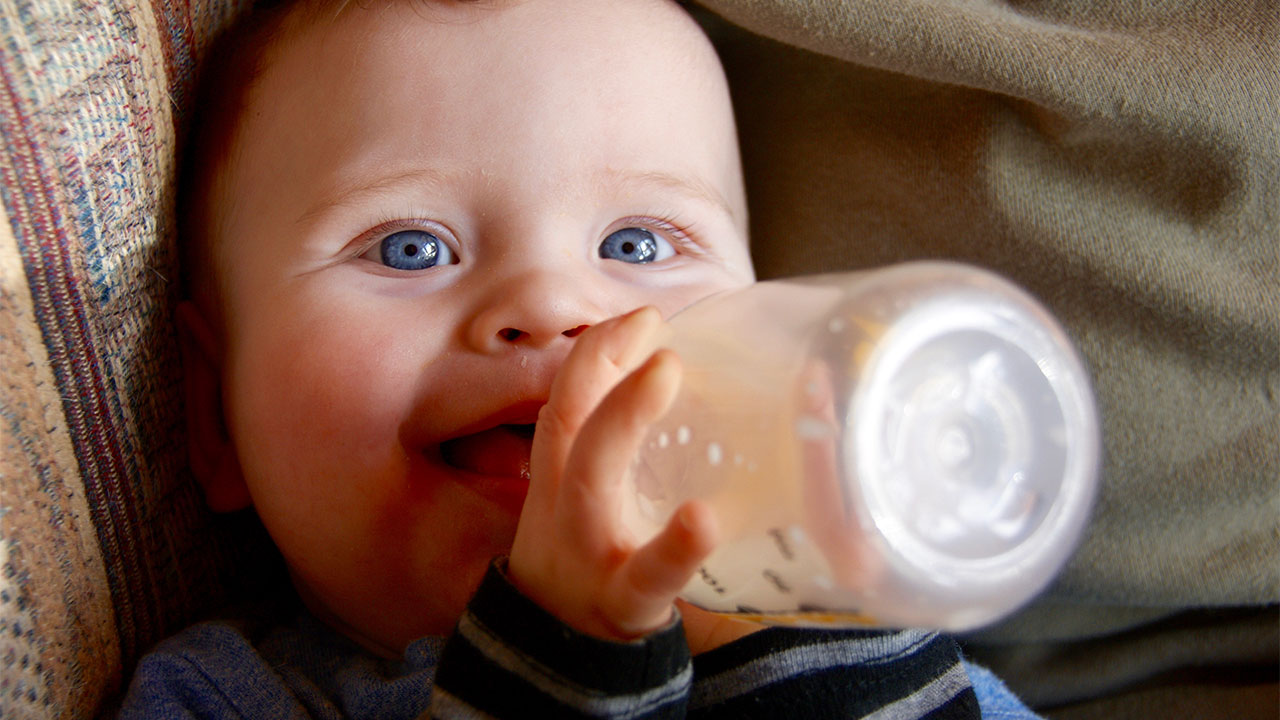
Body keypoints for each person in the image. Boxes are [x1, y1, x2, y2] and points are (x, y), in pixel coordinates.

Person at [120, 0, 1037, 716]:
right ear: (214, 415)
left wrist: (805, 617)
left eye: (637, 245)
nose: (552, 305)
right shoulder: (215, 697)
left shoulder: (893, 652)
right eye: (411, 248)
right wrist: (557, 653)